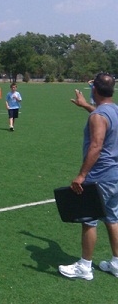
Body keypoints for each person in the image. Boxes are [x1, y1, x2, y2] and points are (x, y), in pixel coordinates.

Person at [58, 73, 118, 281]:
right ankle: (116, 264)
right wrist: (85, 106)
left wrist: (82, 175)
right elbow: (103, 119)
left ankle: (85, 266)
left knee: (89, 220)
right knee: (112, 218)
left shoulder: (98, 117)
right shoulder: (114, 111)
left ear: (95, 90)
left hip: (100, 176)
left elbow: (96, 145)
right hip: (115, 176)